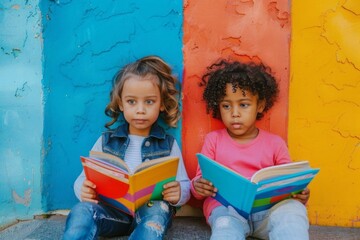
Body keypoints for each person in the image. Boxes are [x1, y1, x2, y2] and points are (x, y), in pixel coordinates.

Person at [63, 56, 190, 240]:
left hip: (150, 212)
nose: (140, 110)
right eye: (132, 102)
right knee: (81, 210)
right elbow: (84, 178)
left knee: (157, 210)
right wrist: (83, 189)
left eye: (149, 102)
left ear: (161, 104)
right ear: (121, 103)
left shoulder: (168, 144)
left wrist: (178, 193)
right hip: (112, 213)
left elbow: (184, 184)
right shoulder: (106, 141)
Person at [191, 60, 311, 240]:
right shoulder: (213, 140)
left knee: (293, 211)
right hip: (228, 211)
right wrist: (199, 186)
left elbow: (288, 180)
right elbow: (200, 185)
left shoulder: (275, 143)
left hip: (268, 212)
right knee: (225, 229)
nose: (235, 113)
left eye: (243, 104)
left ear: (260, 106)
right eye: (226, 105)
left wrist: (298, 193)